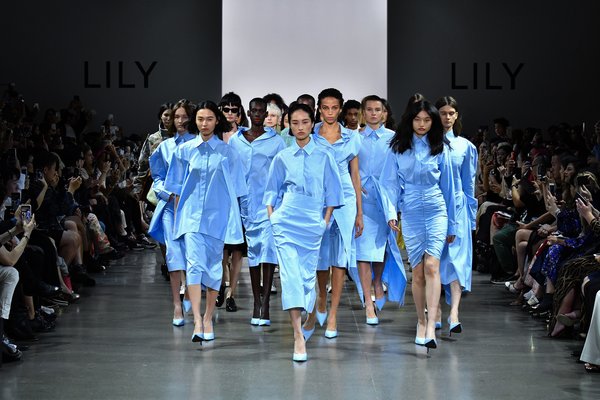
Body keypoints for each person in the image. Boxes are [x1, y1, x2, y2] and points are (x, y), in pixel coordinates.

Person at [264, 102, 343, 361]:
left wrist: (324, 221)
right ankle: (298, 336)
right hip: (286, 221)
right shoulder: (282, 156)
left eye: (305, 122)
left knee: (307, 278)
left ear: (313, 123)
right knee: (290, 277)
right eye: (295, 123)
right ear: (288, 124)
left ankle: (311, 311)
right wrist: (273, 218)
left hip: (312, 222)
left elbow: (333, 192)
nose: (300, 127)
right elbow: (271, 190)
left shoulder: (324, 155)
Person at [165, 101, 246, 343]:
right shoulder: (184, 151)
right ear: (195, 121)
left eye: (209, 119)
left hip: (217, 217)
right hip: (191, 216)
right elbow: (176, 187)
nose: (204, 124)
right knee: (193, 265)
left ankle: (209, 317)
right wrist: (178, 217)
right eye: (200, 119)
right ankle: (198, 320)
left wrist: (237, 220)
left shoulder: (229, 153)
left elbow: (238, 190)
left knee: (213, 268)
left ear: (217, 121)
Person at [380, 99, 456, 350]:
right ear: (409, 120)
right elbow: (389, 183)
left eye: (427, 120)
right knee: (419, 271)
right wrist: (391, 212)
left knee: (432, 265)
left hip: (436, 210)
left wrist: (453, 225)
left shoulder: (440, 146)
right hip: (411, 211)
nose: (422, 124)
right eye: (417, 119)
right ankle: (421, 322)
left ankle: (432, 322)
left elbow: (449, 187)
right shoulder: (398, 147)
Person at [303, 88, 362, 339]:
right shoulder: (311, 133)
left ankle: (334, 314)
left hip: (345, 199)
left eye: (334, 108)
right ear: (319, 108)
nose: (330, 112)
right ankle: (320, 298)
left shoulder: (351, 137)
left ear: (340, 109)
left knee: (340, 256)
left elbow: (355, 175)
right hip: (319, 198)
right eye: (325, 107)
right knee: (319, 254)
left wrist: (359, 213)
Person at [229, 97, 286, 324]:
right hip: (246, 204)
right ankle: (256, 302)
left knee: (269, 249)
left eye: (262, 111)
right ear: (248, 113)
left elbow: (281, 173)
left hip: (270, 203)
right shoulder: (236, 141)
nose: (258, 114)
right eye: (254, 110)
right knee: (253, 251)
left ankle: (266, 305)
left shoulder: (277, 141)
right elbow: (231, 172)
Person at [355, 95, 407, 325]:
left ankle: (378, 282)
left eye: (378, 109)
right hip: (362, 201)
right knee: (362, 251)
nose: (374, 113)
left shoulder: (394, 139)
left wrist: (396, 204)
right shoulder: (355, 138)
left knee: (382, 248)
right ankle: (368, 301)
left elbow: (398, 171)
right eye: (369, 109)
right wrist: (355, 187)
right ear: (363, 113)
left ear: (384, 113)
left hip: (386, 201)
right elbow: (348, 167)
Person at [148, 99, 196, 327]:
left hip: (193, 210)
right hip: (170, 208)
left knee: (193, 256)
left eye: (185, 116)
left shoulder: (198, 145)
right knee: (174, 256)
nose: (180, 120)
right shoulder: (165, 147)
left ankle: (189, 296)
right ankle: (177, 304)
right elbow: (157, 177)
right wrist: (166, 193)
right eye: (177, 116)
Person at [436, 96, 477, 335]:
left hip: (459, 208)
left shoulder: (465, 146)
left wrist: (471, 218)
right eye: (443, 113)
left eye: (451, 113)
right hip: (434, 206)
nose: (447, 117)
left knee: (456, 260)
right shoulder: (427, 144)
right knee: (434, 260)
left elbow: (469, 183)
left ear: (457, 115)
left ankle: (454, 313)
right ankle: (435, 310)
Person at [217, 92, 246, 311]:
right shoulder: (214, 136)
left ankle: (231, 293)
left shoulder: (245, 137)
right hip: (218, 199)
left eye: (233, 109)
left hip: (241, 198)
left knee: (237, 249)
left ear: (239, 112)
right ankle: (220, 284)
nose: (229, 113)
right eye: (225, 109)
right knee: (221, 249)